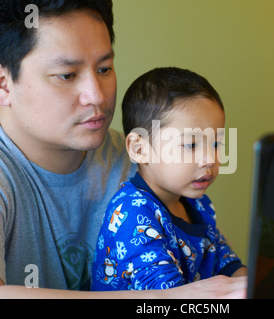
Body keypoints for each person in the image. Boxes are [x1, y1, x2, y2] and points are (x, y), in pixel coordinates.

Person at [0, 0, 246, 298]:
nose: (96, 95)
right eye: (67, 75)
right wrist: (162, 299)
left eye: (105, 68)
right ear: (3, 83)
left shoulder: (137, 155)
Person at [91, 67, 247, 292]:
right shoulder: (131, 213)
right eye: (191, 145)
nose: (210, 159)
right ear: (140, 149)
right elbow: (165, 295)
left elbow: (223, 258)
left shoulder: (197, 202)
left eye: (216, 144)